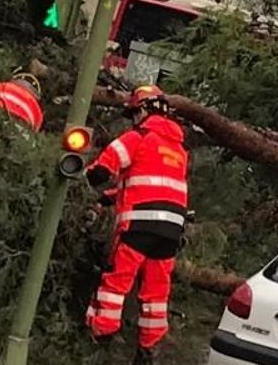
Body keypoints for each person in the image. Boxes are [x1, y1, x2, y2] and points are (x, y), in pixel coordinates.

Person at [85, 86, 189, 364]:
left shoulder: (138, 136)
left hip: (138, 227)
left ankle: (100, 338)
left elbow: (102, 170)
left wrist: (87, 181)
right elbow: (150, 186)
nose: (132, 119)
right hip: (171, 232)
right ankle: (148, 351)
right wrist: (109, 198)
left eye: (134, 113)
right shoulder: (178, 150)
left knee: (115, 279)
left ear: (143, 110)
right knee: (156, 293)